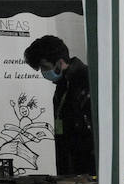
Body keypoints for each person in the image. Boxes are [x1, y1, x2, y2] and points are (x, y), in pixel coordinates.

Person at [21, 35, 94, 175]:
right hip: (71, 163)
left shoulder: (88, 80)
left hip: (89, 165)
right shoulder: (62, 85)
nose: (43, 72)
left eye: (45, 66)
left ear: (60, 62)